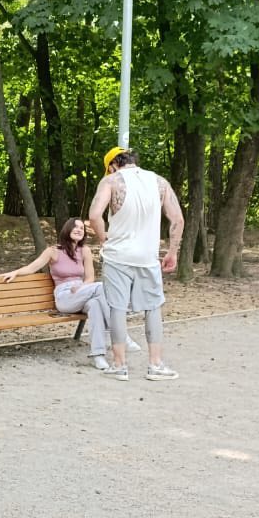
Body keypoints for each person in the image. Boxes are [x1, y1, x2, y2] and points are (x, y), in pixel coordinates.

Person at [88, 147, 184, 381]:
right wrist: (172, 252)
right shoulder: (159, 182)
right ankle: (156, 365)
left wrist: (103, 239)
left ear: (112, 165)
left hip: (117, 256)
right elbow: (178, 219)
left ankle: (119, 365)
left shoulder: (110, 181)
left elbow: (94, 215)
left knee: (117, 308)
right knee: (153, 307)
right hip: (148, 257)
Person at [0, 217, 138, 369]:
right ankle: (121, 335)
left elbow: (90, 278)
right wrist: (15, 273)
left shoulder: (85, 251)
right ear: (67, 229)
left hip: (84, 292)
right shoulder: (53, 251)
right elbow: (32, 268)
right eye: (75, 227)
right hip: (65, 297)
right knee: (104, 287)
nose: (79, 230)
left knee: (96, 305)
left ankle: (98, 356)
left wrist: (82, 287)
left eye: (82, 228)